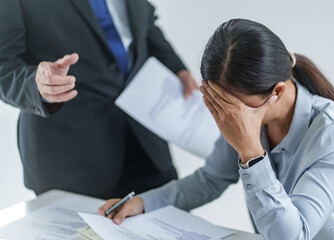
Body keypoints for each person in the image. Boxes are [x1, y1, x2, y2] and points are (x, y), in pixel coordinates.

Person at [98, 19, 334, 240]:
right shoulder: (245, 114)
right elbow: (210, 179)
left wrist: (251, 152)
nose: (225, 117)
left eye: (229, 107)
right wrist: (143, 203)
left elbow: (293, 235)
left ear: (277, 91)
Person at [0, 0, 197, 199]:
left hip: (146, 145)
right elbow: (3, 65)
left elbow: (143, 25)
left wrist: (176, 67)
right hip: (71, 159)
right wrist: (39, 86)